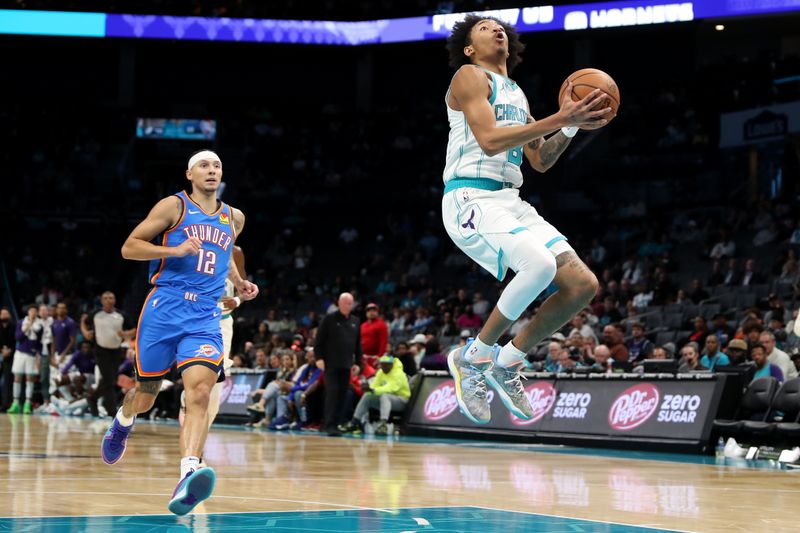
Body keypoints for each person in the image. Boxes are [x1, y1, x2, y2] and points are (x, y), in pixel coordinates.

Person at [441, 16, 608, 424]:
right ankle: (472, 356)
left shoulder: (517, 93)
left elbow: (540, 161)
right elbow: (490, 140)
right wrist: (561, 119)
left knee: (583, 285)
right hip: (470, 196)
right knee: (539, 265)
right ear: (468, 48)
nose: (497, 30)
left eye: (500, 28)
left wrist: (569, 130)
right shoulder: (468, 76)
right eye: (484, 28)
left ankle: (508, 361)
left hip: (510, 199)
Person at [99, 150, 258, 516]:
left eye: (217, 165)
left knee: (200, 392)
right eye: (204, 165)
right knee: (146, 394)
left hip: (205, 315)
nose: (211, 170)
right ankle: (123, 423)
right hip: (165, 308)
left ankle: (189, 473)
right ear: (189, 173)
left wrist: (239, 282)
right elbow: (129, 248)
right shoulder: (173, 207)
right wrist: (174, 249)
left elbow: (225, 256)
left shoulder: (234, 217)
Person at [315, 292, 363, 436]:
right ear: (340, 303)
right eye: (347, 303)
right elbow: (319, 341)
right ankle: (329, 424)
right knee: (332, 393)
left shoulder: (355, 321)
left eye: (351, 303)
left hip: (346, 364)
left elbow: (358, 345)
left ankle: (336, 423)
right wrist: (319, 358)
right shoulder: (329, 319)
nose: (349, 306)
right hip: (330, 364)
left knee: (342, 394)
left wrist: (358, 363)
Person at [86, 291, 135, 417]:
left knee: (110, 379)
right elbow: (83, 321)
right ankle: (112, 412)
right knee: (109, 381)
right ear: (102, 301)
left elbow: (134, 329)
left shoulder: (121, 315)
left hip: (116, 351)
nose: (108, 300)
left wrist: (126, 334)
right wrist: (85, 332)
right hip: (100, 351)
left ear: (115, 300)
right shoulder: (96, 314)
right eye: (106, 298)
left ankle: (92, 398)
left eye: (111, 298)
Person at [340, 354, 411, 436]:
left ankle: (383, 424)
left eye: (386, 365)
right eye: (382, 364)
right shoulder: (381, 372)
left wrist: (374, 390)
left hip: (402, 401)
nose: (383, 367)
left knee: (385, 395)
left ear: (391, 365)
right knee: (368, 395)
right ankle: (355, 422)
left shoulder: (398, 374)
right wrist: (369, 388)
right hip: (386, 401)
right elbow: (375, 385)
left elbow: (391, 388)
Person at [8, 305, 43, 414]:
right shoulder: (20, 322)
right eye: (31, 311)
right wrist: (29, 326)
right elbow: (18, 337)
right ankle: (15, 403)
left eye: (35, 311)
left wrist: (39, 357)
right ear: (28, 312)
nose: (33, 313)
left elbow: (40, 342)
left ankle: (28, 403)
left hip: (32, 355)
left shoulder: (40, 324)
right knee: (17, 378)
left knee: (29, 379)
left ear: (37, 313)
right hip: (20, 353)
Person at [360, 302, 389, 369]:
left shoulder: (381, 324)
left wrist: (380, 356)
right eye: (369, 310)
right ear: (366, 313)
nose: (371, 312)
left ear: (377, 312)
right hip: (363, 358)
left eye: (374, 310)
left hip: (375, 358)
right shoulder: (362, 326)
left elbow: (383, 342)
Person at [0, 307, 16, 411]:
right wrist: (1, 350)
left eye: (7, 314)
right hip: (1, 352)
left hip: (10, 355)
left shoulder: (14, 326)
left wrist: (8, 351)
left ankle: (6, 404)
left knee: (7, 381)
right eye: (3, 314)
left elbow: (16, 341)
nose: (5, 316)